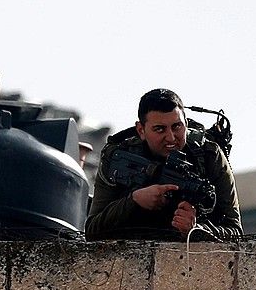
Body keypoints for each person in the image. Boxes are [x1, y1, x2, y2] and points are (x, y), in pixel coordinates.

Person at [85, 88, 241, 241]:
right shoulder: (119, 157)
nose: (171, 138)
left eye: (177, 126)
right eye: (160, 129)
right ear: (141, 130)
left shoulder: (209, 156)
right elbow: (92, 231)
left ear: (186, 123)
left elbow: (236, 231)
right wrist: (134, 201)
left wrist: (196, 229)